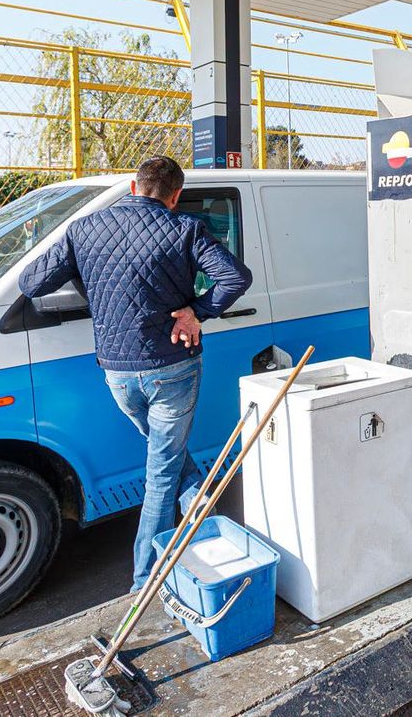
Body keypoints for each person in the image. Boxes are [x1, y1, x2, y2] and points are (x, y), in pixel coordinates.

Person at [19, 156, 251, 592]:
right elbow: (235, 277)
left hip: (118, 374)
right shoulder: (185, 230)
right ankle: (146, 577)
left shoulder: (83, 229)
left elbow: (32, 283)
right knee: (164, 468)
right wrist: (196, 313)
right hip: (173, 369)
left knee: (168, 455)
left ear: (133, 186)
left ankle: (210, 529)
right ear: (176, 195)